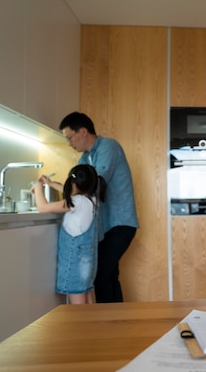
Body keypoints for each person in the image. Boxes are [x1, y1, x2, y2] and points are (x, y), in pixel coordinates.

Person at [42, 111, 139, 303]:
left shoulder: (108, 147)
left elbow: (94, 184)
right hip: (103, 227)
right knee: (108, 275)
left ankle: (106, 324)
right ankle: (115, 323)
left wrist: (61, 196)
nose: (69, 143)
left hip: (120, 223)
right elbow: (80, 190)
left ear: (83, 131)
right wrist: (53, 184)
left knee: (102, 275)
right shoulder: (85, 159)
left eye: (70, 138)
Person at [32, 165, 107, 304]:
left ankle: (81, 326)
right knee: (88, 296)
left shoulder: (77, 203)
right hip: (88, 262)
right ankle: (94, 325)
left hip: (76, 262)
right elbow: (73, 194)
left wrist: (37, 187)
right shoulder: (92, 200)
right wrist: (51, 183)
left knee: (77, 304)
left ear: (73, 184)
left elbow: (43, 207)